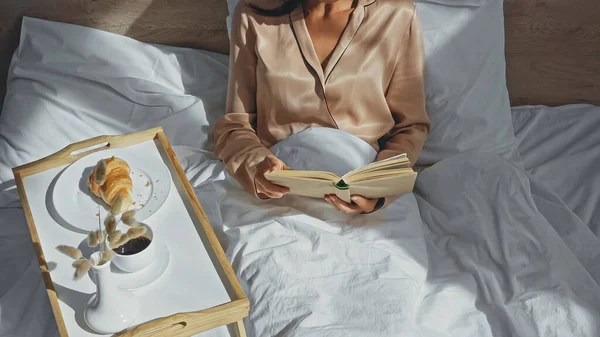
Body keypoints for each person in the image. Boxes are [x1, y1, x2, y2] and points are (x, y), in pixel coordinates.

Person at [214, 0, 430, 214]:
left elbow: (411, 127)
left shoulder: (397, 15)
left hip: (364, 194)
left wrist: (380, 193)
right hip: (278, 193)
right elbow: (234, 125)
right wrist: (257, 167)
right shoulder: (254, 13)